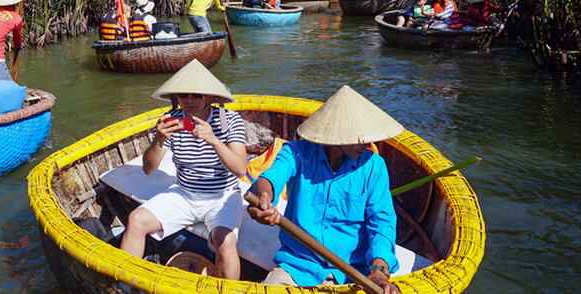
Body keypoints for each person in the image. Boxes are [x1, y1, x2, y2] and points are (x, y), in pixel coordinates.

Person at [246, 85, 403, 292]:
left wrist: (378, 270)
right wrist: (264, 198)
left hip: (353, 271)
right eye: (361, 138)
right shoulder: (297, 153)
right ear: (336, 135)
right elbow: (269, 179)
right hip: (298, 267)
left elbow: (382, 223)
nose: (368, 144)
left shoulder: (374, 167)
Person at [119, 59, 247, 280]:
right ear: (175, 98)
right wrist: (158, 140)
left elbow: (241, 169)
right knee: (136, 220)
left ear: (210, 97)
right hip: (184, 193)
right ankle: (123, 282)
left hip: (222, 195)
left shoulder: (229, 120)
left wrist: (214, 141)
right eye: (183, 95)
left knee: (226, 242)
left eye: (196, 95)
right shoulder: (171, 121)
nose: (189, 100)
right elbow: (149, 169)